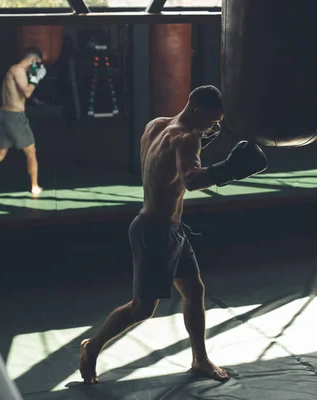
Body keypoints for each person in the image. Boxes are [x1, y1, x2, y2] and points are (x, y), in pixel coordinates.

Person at [78, 85, 268, 384]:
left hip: (170, 229)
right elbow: (191, 181)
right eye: (212, 119)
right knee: (142, 308)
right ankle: (92, 348)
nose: (213, 126)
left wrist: (201, 141)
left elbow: (164, 168)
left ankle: (200, 359)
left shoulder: (156, 125)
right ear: (197, 109)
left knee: (194, 291)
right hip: (156, 232)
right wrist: (229, 170)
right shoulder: (187, 138)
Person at [0, 47, 47, 198]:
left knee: (0, 153)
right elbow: (26, 92)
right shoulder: (18, 70)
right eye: (37, 64)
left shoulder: (13, 71)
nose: (37, 67)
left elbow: (17, 94)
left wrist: (34, 99)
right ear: (33, 60)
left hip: (4, 115)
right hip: (15, 117)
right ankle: (34, 186)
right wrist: (36, 79)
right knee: (31, 152)